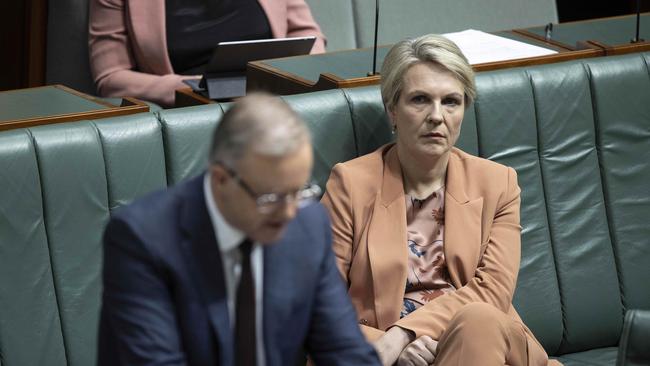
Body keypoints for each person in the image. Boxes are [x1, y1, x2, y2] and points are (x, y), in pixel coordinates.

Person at [321, 34, 561, 366]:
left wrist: (404, 334)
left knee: (479, 319)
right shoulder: (350, 184)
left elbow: (492, 293)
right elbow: (319, 305)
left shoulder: (498, 184)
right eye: (420, 99)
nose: (437, 116)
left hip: (484, 345)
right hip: (390, 358)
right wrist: (391, 348)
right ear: (392, 109)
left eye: (451, 101)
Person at [97, 93, 380, 366]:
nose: (289, 212)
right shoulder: (143, 239)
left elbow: (344, 350)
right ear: (221, 179)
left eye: (299, 191)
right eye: (271, 198)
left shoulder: (307, 226)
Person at [88, 0, 326, 107]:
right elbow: (111, 78)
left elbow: (307, 32)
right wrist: (193, 88)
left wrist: (298, 76)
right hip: (194, 108)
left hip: (276, 96)